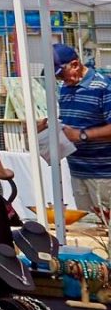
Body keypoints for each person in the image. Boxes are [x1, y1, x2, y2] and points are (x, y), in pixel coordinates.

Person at [54, 44, 111, 214]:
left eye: (62, 74)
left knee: (106, 225)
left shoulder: (103, 87)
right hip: (78, 170)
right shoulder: (64, 88)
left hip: (104, 174)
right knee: (89, 227)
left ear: (75, 64)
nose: (61, 80)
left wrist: (81, 135)